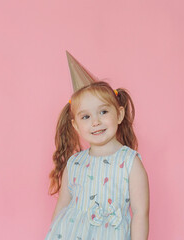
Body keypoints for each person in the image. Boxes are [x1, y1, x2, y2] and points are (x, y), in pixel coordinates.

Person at [45, 52, 149, 240]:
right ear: (75, 125)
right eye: (86, 116)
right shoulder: (74, 163)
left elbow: (140, 213)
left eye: (103, 111)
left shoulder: (129, 163)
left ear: (119, 114)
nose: (95, 122)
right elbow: (62, 206)